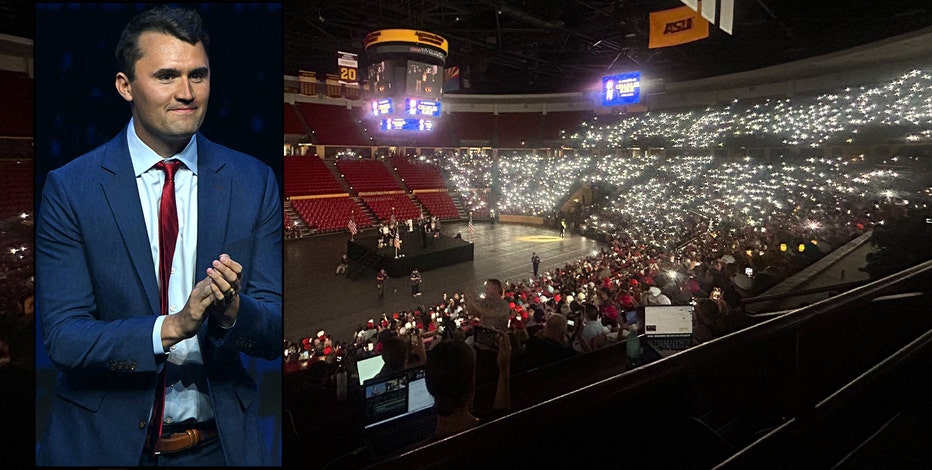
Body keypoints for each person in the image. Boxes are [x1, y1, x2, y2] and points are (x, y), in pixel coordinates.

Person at [35, 6, 281, 466]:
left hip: (221, 449)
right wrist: (171, 327)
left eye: (198, 75)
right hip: (103, 449)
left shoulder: (255, 181)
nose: (186, 93)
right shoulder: (70, 188)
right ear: (125, 86)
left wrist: (232, 314)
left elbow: (272, 329)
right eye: (167, 76)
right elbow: (65, 338)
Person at [424, 336, 511, 439]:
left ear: (429, 386)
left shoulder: (421, 452)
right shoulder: (497, 433)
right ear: (471, 384)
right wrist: (504, 368)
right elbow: (501, 414)